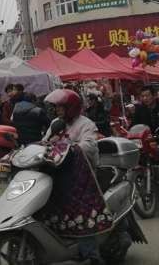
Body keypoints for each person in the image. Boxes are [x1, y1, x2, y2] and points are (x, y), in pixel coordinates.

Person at [41, 88, 106, 265]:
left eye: (61, 107)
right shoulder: (56, 123)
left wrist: (70, 148)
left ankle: (91, 255)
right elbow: (47, 141)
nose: (57, 111)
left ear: (70, 107)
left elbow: (90, 146)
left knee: (81, 212)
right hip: (59, 173)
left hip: (83, 176)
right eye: (56, 107)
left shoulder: (86, 124)